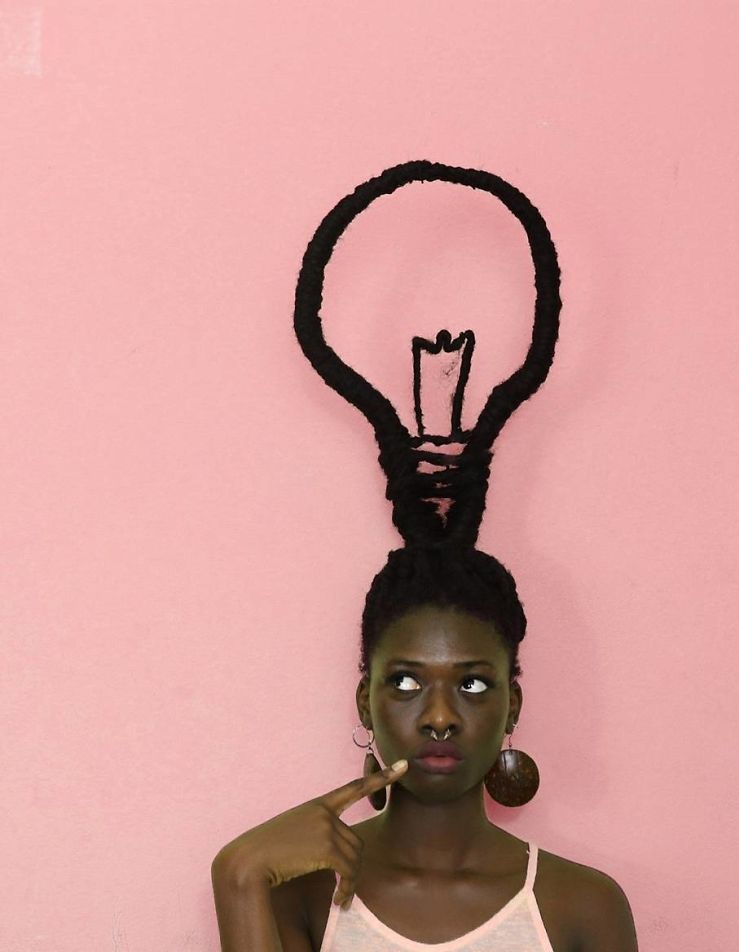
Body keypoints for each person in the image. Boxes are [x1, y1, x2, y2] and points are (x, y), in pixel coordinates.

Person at [210, 162, 639, 951]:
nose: (440, 716)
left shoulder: (583, 907)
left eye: (472, 683)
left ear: (512, 704)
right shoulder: (301, 898)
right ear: (364, 699)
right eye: (405, 682)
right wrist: (236, 878)